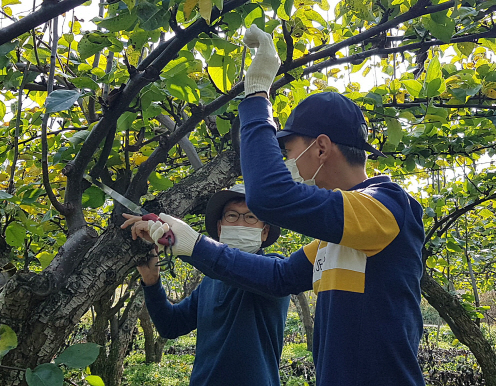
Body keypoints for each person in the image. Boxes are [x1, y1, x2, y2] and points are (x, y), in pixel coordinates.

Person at [125, 26, 426, 386]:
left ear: (321, 148)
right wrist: (190, 243)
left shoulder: (386, 206)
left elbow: (270, 196)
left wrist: (256, 96)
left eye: (288, 151)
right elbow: (278, 277)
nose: (286, 162)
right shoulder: (341, 236)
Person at [123, 184, 290, 386]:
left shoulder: (276, 269)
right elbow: (171, 325)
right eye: (232, 216)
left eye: (251, 217)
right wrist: (152, 281)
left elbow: (232, 267)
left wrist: (186, 244)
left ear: (265, 232)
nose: (240, 223)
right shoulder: (210, 280)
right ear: (220, 228)